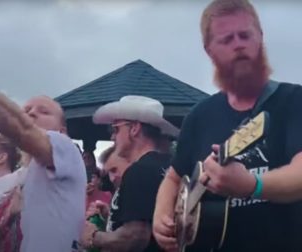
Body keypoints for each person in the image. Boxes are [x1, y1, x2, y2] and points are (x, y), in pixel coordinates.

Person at [153, 1, 302, 252]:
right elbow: (173, 177)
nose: (239, 44)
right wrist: (161, 217)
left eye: (245, 35)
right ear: (209, 50)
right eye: (227, 39)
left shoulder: (293, 100)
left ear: (260, 37)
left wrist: (253, 186)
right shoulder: (199, 116)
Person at [0, 65, 87, 252]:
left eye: (44, 111)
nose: (31, 114)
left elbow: (21, 128)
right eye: (26, 109)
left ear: (62, 132)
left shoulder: (68, 151)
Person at [80, 95, 179, 252]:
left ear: (134, 128)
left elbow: (136, 236)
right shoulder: (172, 167)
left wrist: (93, 236)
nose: (112, 136)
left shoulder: (139, 171)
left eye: (115, 128)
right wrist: (113, 216)